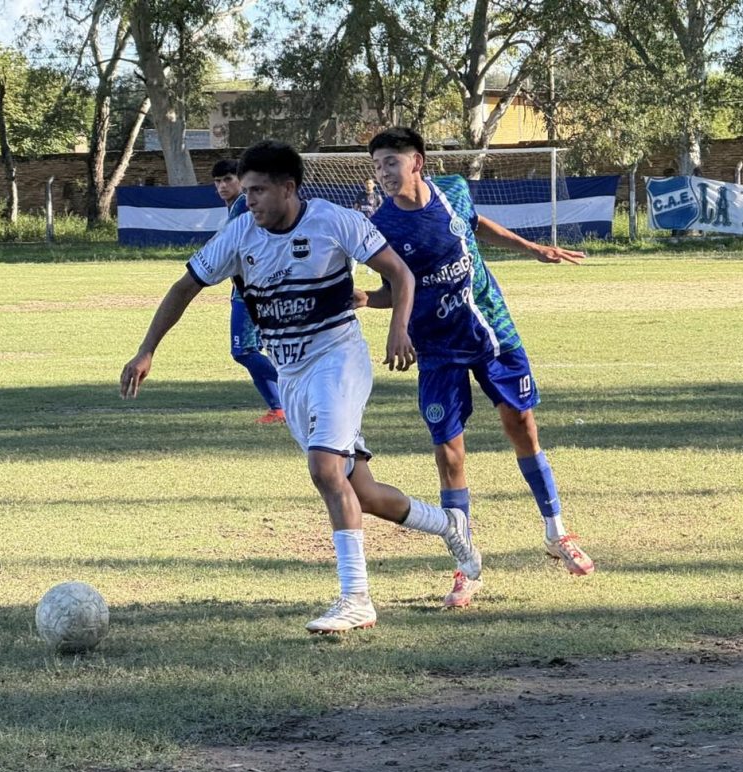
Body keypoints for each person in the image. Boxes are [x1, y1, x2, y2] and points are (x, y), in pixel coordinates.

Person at [121, 140, 481, 633]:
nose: (249, 202)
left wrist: (398, 328)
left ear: (288, 188)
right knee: (364, 492)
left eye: (259, 191)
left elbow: (399, 272)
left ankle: (356, 599)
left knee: (324, 468)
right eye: (245, 192)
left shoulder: (335, 220)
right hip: (290, 374)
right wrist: (147, 350)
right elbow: (185, 287)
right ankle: (448, 525)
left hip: (339, 357)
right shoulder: (239, 234)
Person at [359, 126, 595, 610]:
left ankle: (557, 533)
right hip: (437, 346)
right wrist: (366, 300)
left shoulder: (454, 190)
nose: (383, 172)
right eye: (378, 164)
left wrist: (533, 249)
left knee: (522, 425)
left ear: (417, 162)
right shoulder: (382, 227)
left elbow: (475, 224)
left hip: (492, 330)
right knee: (449, 454)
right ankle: (467, 567)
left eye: (391, 162)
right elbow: (392, 289)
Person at [211, 159, 286, 424]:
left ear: (241, 181)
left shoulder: (243, 204)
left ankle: (294, 390)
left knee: (244, 350)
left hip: (252, 292)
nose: (222, 185)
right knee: (264, 349)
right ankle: (279, 408)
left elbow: (229, 246)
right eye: (218, 181)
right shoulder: (237, 206)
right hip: (250, 289)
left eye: (228, 179)